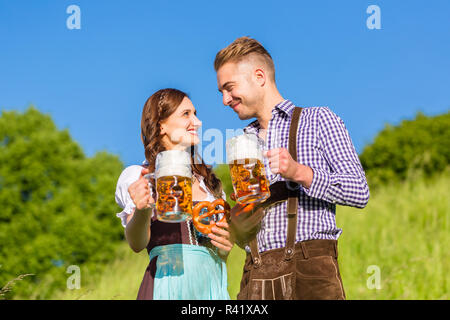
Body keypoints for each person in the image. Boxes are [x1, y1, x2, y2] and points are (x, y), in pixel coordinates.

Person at [214, 37, 370, 300]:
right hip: (256, 274)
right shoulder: (241, 145)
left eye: (229, 88)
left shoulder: (319, 119)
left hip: (311, 269)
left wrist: (300, 173)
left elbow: (359, 192)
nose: (225, 100)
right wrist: (239, 227)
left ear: (259, 76)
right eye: (221, 92)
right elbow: (246, 233)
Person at [114, 88, 232, 300]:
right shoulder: (140, 176)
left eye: (195, 114)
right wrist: (142, 210)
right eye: (186, 114)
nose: (197, 122)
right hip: (167, 283)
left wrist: (225, 246)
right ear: (161, 126)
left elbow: (222, 249)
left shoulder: (210, 185)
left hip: (210, 284)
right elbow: (136, 243)